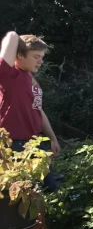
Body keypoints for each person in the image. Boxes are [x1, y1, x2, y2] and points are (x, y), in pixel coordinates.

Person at [0, 32, 60, 191]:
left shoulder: (31, 79)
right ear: (19, 54)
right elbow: (12, 37)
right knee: (21, 194)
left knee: (48, 189)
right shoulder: (9, 75)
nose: (41, 61)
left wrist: (52, 138)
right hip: (13, 144)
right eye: (36, 56)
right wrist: (18, 38)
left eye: (42, 57)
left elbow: (38, 111)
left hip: (34, 143)